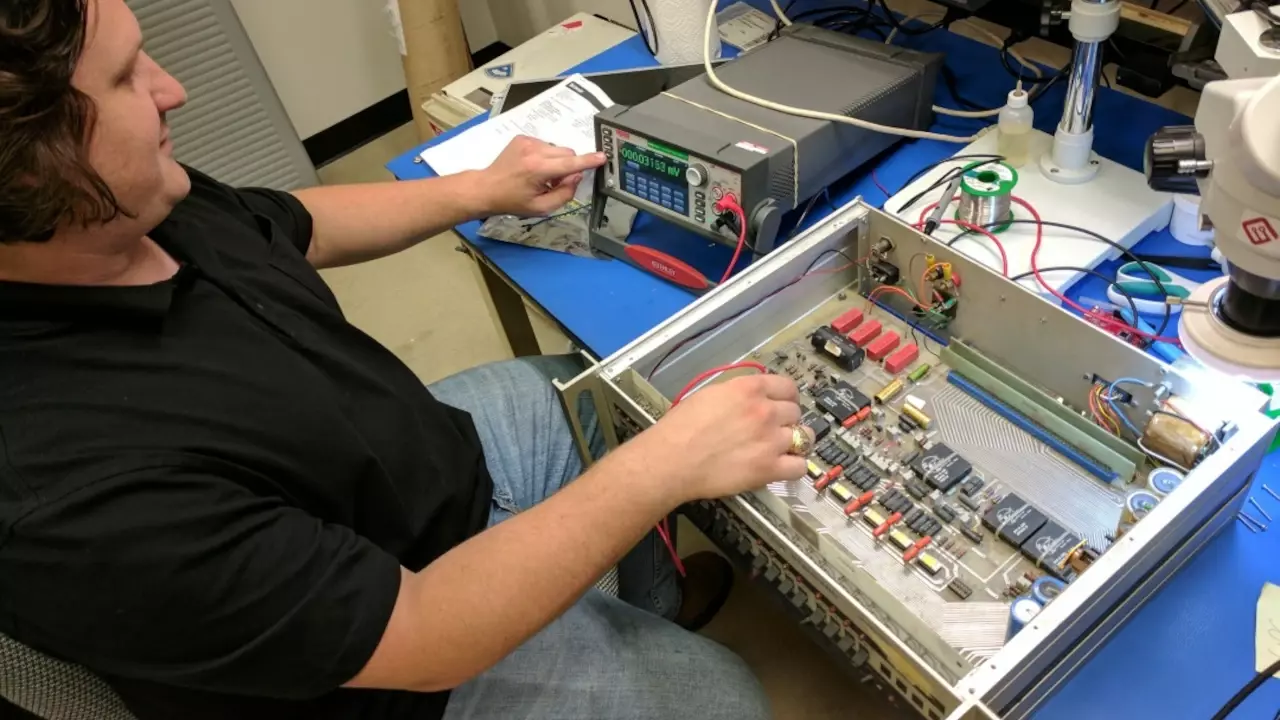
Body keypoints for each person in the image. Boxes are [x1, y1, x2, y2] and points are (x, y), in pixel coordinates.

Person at [0, 1, 815, 719]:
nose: (171, 88)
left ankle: (651, 607)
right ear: (30, 163)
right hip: (400, 667)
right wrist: (660, 469)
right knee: (724, 700)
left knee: (591, 393)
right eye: (124, 78)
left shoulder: (126, 205)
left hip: (413, 474)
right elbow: (422, 635)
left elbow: (289, 226)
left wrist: (479, 190)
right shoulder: (66, 493)